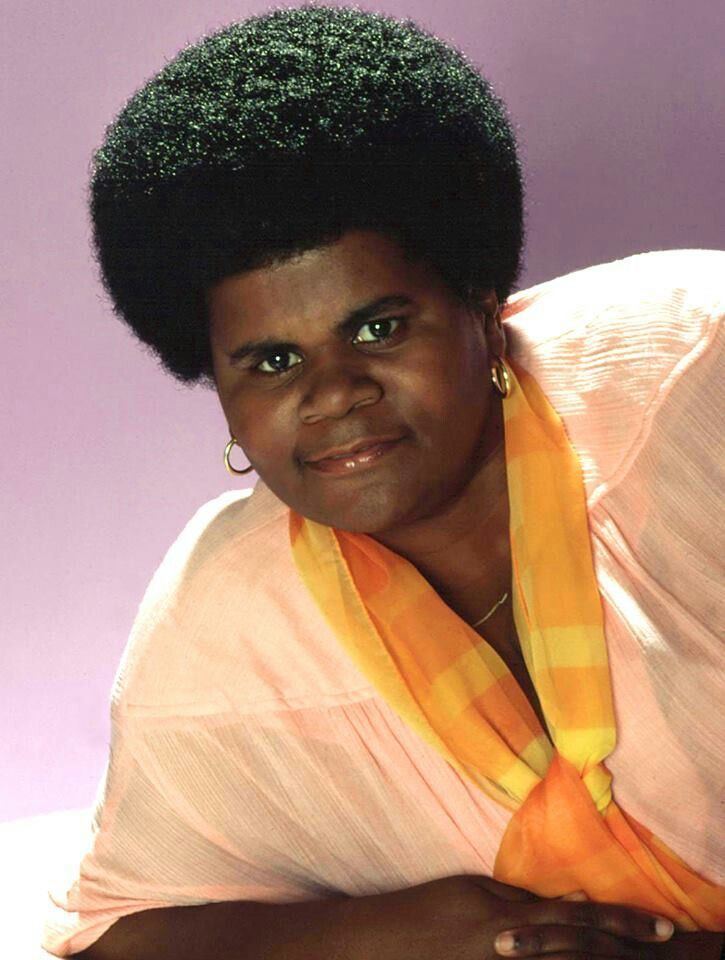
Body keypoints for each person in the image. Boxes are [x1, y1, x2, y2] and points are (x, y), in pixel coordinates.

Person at [42, 5, 724, 958]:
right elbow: (115, 937)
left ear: (483, 307)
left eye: (376, 327)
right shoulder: (225, 623)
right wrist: (372, 935)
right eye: (271, 362)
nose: (331, 394)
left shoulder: (694, 374)